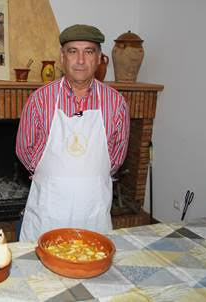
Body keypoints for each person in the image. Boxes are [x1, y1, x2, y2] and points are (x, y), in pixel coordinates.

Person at [16, 24, 130, 241]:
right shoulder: (39, 100)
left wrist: (86, 178)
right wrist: (53, 177)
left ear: (99, 58)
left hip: (93, 214)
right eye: (72, 51)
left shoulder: (116, 103)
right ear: (62, 57)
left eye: (88, 52)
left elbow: (116, 159)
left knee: (93, 268)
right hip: (47, 214)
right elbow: (25, 152)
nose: (80, 60)